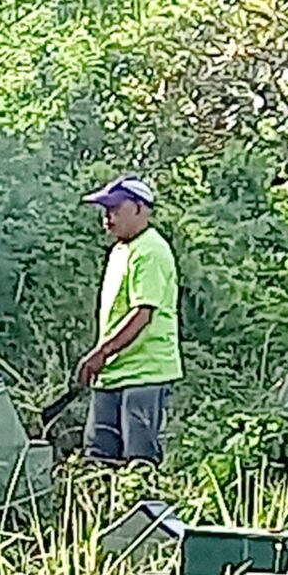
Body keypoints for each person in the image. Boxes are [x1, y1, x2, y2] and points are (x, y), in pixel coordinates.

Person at [75, 176, 182, 466]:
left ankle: (143, 509)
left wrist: (100, 353)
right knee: (98, 459)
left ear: (138, 208)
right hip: (112, 373)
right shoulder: (120, 251)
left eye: (114, 209)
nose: (108, 218)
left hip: (145, 372)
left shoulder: (150, 251)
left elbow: (141, 315)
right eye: (105, 211)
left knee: (139, 462)